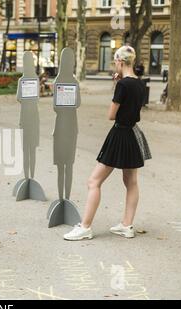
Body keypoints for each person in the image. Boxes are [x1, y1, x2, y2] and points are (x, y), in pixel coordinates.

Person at [64, 45, 152, 241]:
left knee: (94, 181)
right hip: (133, 135)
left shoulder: (122, 86)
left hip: (119, 134)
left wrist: (117, 86)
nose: (115, 66)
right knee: (131, 182)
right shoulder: (139, 84)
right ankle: (127, 225)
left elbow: (111, 115)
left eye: (115, 63)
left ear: (120, 62)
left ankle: (85, 226)